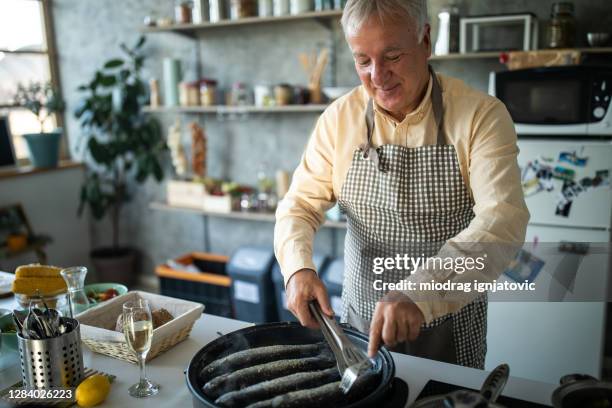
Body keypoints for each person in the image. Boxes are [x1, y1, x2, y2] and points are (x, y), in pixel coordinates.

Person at [274, 0, 529, 369]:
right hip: (361, 330)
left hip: (450, 329)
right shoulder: (339, 120)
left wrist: (420, 292)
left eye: (392, 56)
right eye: (363, 60)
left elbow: (502, 223)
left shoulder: (481, 117)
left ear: (425, 41)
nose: (378, 76)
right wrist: (298, 268)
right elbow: (299, 204)